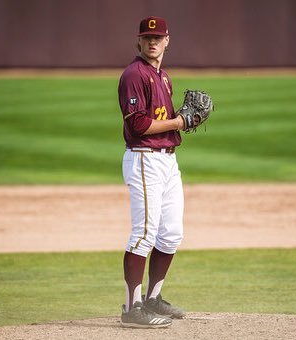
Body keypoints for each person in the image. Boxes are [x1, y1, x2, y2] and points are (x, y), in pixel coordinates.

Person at [118, 16, 186, 328]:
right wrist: (180, 122)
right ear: (139, 40)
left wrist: (183, 120)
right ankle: (132, 309)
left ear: (167, 40)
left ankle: (153, 298)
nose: (153, 42)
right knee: (144, 233)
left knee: (171, 234)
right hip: (145, 160)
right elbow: (140, 125)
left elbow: (166, 121)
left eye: (158, 37)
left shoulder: (164, 77)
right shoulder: (134, 74)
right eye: (147, 37)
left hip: (168, 161)